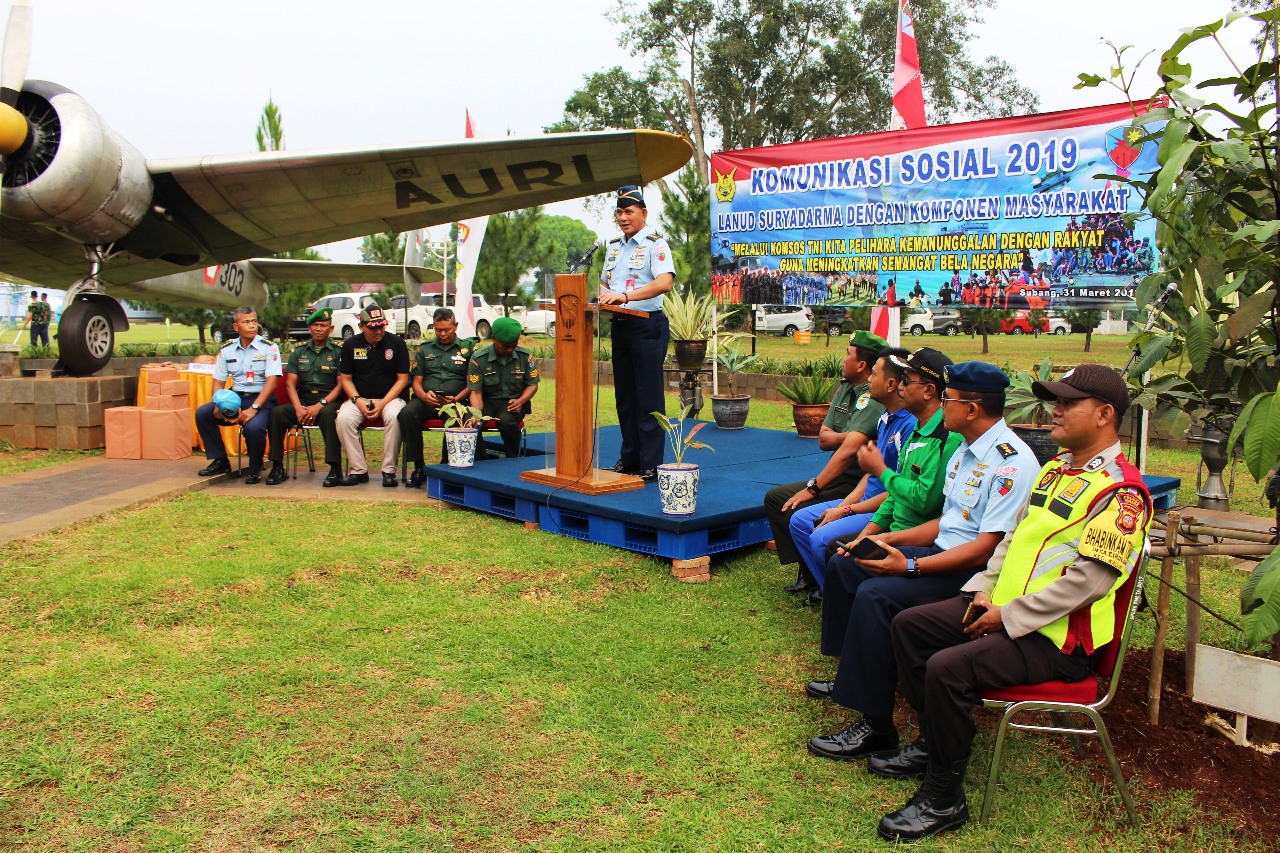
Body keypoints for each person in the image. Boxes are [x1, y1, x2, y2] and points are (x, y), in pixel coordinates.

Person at [876, 365, 1154, 842]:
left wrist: (1010, 615)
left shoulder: (1122, 494)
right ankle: (934, 741)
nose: (1056, 411)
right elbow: (1010, 542)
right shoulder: (1055, 471)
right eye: (1056, 401)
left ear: (1105, 415)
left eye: (1068, 404)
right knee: (909, 626)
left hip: (1057, 641)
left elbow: (1090, 582)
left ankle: (944, 798)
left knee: (948, 669)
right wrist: (983, 589)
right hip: (1004, 613)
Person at [806, 362, 1039, 764]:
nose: (943, 406)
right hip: (941, 552)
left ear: (972, 408)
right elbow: (944, 524)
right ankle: (855, 670)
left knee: (877, 594)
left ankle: (876, 725)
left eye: (948, 399)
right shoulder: (965, 449)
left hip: (968, 572)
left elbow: (985, 549)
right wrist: (883, 538)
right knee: (847, 560)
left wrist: (910, 568)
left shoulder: (1011, 462)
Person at [764, 330, 889, 596]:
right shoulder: (846, 388)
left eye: (848, 354)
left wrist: (813, 487)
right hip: (841, 475)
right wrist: (856, 435)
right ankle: (807, 568)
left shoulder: (872, 398)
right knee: (776, 499)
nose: (843, 359)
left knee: (804, 505)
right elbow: (823, 438)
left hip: (859, 478)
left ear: (862, 364)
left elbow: (846, 451)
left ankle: (819, 580)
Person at [785, 347, 917, 590]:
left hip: (877, 508)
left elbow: (896, 490)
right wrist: (843, 505)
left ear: (890, 385)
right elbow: (870, 475)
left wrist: (846, 509)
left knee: (820, 538)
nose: (868, 379)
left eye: (874, 375)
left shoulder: (909, 426)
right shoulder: (885, 418)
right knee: (799, 521)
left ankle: (841, 597)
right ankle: (829, 591)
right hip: (862, 501)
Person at [598, 185, 674, 482]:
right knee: (625, 397)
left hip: (647, 325)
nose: (623, 218)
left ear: (643, 213)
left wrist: (625, 298)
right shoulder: (614, 246)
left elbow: (664, 282)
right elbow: (605, 284)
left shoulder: (656, 245)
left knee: (649, 397)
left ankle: (651, 463)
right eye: (619, 212)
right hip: (621, 325)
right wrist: (602, 296)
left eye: (629, 212)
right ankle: (629, 458)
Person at [194, 307, 282, 483]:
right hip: (236, 397)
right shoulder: (227, 350)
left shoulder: (269, 348)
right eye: (246, 322)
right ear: (236, 326)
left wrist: (253, 409)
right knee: (203, 413)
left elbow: (272, 383)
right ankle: (220, 460)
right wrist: (219, 404)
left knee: (254, 427)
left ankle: (255, 468)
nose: (252, 326)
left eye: (254, 321)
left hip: (261, 399)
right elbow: (218, 382)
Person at [264, 307, 344, 487]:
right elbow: (290, 384)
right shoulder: (299, 352)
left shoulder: (339, 352)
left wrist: (320, 404)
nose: (318, 329)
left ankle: (334, 468)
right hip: (303, 400)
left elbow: (341, 385)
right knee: (277, 413)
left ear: (330, 329)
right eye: (315, 325)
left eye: (323, 325)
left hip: (329, 400)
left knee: (328, 414)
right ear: (309, 328)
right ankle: (277, 467)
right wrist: (298, 408)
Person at [335, 304, 410, 487]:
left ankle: (388, 471)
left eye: (381, 326)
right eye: (372, 327)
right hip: (360, 398)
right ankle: (358, 470)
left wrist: (383, 403)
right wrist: (357, 401)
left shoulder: (396, 343)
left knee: (394, 416)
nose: (378, 331)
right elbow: (346, 379)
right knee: (343, 418)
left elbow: (402, 379)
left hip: (390, 399)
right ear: (361, 326)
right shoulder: (351, 344)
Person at [399, 308, 475, 487]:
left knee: (459, 420)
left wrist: (456, 398)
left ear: (455, 326)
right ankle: (418, 466)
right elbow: (416, 381)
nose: (442, 334)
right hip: (427, 400)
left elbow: (471, 383)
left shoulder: (467, 349)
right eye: (438, 329)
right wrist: (424, 396)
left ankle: (444, 468)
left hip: (455, 401)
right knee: (406, 414)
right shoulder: (424, 349)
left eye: (447, 330)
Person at [465, 317, 538, 459]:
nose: (510, 349)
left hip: (513, 403)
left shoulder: (525, 356)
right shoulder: (479, 358)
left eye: (514, 345)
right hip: (487, 401)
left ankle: (512, 458)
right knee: (471, 422)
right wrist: (476, 414)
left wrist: (521, 401)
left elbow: (532, 384)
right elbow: (476, 392)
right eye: (506, 346)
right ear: (493, 339)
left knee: (506, 421)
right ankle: (481, 460)